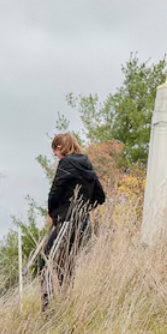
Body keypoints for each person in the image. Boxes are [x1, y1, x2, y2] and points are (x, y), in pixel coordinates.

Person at [42, 133, 106, 311]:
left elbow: (55, 191)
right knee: (67, 263)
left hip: (66, 221)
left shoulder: (66, 163)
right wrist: (83, 209)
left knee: (47, 260)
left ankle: (47, 309)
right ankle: (66, 302)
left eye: (55, 152)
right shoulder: (87, 164)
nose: (56, 157)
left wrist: (55, 214)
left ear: (59, 148)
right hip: (83, 225)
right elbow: (100, 196)